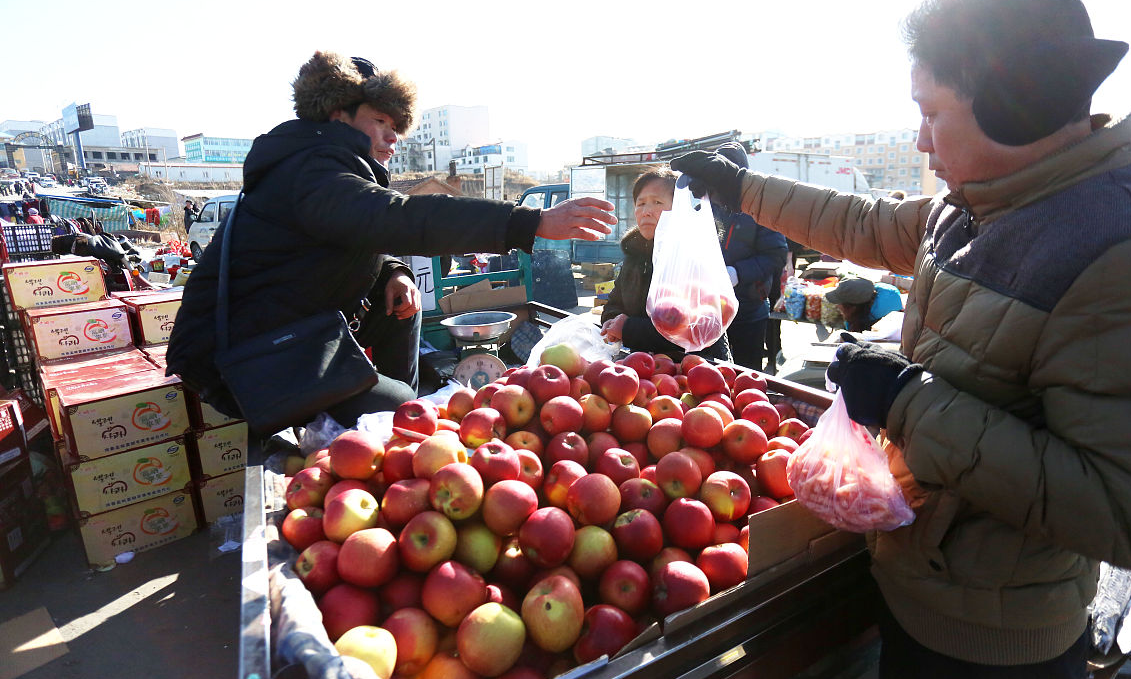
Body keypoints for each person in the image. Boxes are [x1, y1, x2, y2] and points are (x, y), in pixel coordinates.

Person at [673, 0, 1131, 679]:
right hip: (914, 589)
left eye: (930, 112)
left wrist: (914, 403)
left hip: (1000, 648)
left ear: (1015, 107)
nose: (919, 138)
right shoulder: (983, 198)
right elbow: (867, 224)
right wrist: (741, 188)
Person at [167, 51, 614, 429]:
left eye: (397, 124)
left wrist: (393, 270)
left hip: (288, 330)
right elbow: (394, 217)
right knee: (411, 415)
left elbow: (345, 233)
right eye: (380, 120)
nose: (393, 136)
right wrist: (529, 223)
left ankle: (386, 408)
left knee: (402, 305)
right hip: (241, 358)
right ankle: (393, 414)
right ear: (338, 114)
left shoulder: (315, 164)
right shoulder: (311, 170)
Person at [600, 166, 730, 361]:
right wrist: (612, 322)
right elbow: (614, 304)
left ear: (679, 208)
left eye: (657, 202)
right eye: (640, 203)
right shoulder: (634, 256)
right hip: (646, 370)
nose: (646, 211)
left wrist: (628, 329)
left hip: (694, 369)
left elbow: (695, 331)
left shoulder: (693, 256)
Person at [706, 143, 788, 370]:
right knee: (709, 373)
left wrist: (737, 273)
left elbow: (776, 254)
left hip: (747, 309)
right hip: (707, 310)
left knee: (745, 372)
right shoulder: (705, 204)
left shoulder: (760, 207)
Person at [824, 276, 903, 332]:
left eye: (840, 303)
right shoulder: (888, 292)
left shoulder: (872, 326)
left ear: (853, 307)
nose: (838, 306)